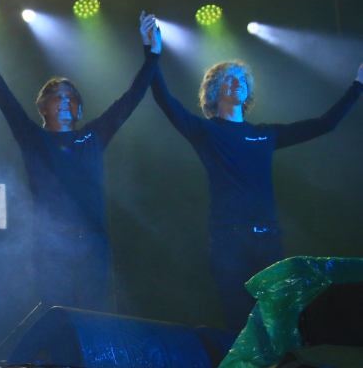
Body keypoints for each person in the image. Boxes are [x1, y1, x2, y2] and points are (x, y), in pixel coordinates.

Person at [0, 12, 162, 311]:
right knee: (60, 321)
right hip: (52, 247)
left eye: (72, 97)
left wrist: (152, 51)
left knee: (95, 320)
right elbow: (1, 93)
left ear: (79, 108)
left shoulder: (93, 136)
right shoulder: (33, 138)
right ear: (43, 107)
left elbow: (132, 97)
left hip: (94, 246)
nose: (66, 100)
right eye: (57, 96)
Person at [151, 54, 363, 330]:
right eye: (229, 78)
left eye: (241, 79)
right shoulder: (205, 130)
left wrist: (358, 85)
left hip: (269, 240)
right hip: (229, 239)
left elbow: (324, 124)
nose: (237, 82)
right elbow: (165, 100)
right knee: (241, 322)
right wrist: (152, 53)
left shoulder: (265, 133)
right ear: (215, 89)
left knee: (277, 321)